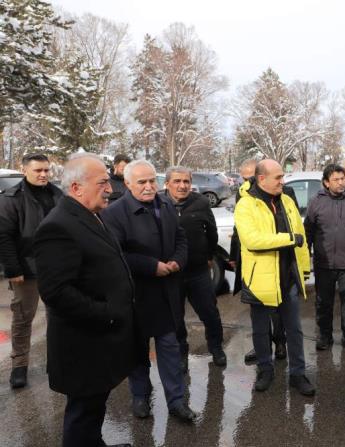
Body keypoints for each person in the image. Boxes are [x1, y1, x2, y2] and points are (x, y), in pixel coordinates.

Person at [33, 153, 137, 447]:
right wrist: (108, 313)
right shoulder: (58, 226)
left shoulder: (90, 215)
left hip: (100, 341)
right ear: (77, 187)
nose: (111, 189)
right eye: (103, 182)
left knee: (93, 410)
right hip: (84, 344)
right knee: (82, 414)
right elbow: (56, 293)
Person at [101, 160, 196, 423]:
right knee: (137, 351)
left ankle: (177, 401)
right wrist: (151, 266)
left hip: (167, 291)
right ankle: (140, 396)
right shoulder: (114, 213)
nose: (148, 186)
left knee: (169, 348)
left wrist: (178, 259)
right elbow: (117, 254)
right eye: (141, 182)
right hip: (136, 294)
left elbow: (180, 237)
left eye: (152, 180)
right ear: (128, 184)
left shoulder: (165, 204)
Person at [234, 159, 315, 395]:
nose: (283, 181)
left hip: (287, 277)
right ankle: (265, 370)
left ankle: (298, 374)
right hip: (259, 280)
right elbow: (253, 241)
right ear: (261, 179)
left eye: (282, 177)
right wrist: (289, 239)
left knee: (294, 330)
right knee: (261, 330)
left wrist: (304, 268)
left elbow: (300, 236)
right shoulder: (246, 205)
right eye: (278, 177)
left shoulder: (287, 200)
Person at [0, 153, 63, 388]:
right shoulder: (11, 197)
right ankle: (19, 365)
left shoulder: (58, 195)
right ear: (24, 169)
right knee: (23, 317)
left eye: (46, 170)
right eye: (38, 170)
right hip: (26, 269)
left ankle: (57, 361)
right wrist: (13, 267)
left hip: (57, 268)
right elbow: (3, 235)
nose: (44, 174)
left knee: (58, 315)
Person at [230, 158, 298, 364]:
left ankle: (279, 343)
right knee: (259, 316)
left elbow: (293, 228)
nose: (247, 181)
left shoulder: (285, 195)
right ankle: (262, 351)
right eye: (245, 177)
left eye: (251, 176)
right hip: (255, 262)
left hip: (279, 260)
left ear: (260, 176)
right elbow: (240, 231)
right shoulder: (243, 197)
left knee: (278, 311)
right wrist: (234, 256)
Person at [162, 166, 227, 371]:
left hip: (198, 271)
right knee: (175, 317)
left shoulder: (200, 202)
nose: (182, 186)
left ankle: (216, 348)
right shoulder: (158, 203)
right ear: (167, 184)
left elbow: (212, 233)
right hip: (171, 274)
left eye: (186, 182)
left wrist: (208, 256)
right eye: (177, 181)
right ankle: (182, 352)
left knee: (210, 313)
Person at [304, 164, 345, 350]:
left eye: (342, 178)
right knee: (323, 303)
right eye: (336, 180)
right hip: (324, 263)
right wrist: (305, 254)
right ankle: (325, 337)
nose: (341, 183)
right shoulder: (316, 202)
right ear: (326, 182)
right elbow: (308, 230)